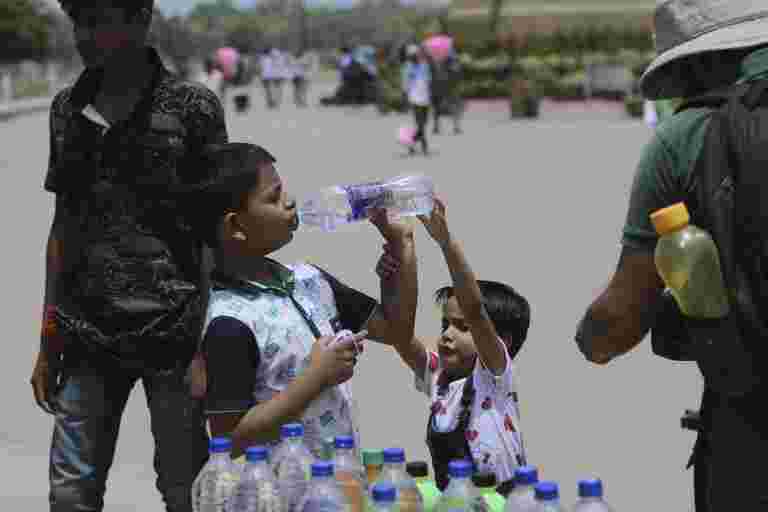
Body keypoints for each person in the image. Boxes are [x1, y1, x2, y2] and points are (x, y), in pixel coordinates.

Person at [31, 1, 228, 511]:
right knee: (71, 493)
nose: (85, 34)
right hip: (83, 335)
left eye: (99, 20)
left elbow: (217, 231)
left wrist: (211, 338)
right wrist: (48, 334)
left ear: (140, 20)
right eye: (79, 22)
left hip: (176, 336)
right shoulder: (66, 110)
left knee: (186, 489)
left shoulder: (193, 109)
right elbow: (64, 224)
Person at [574, 2, 768, 510]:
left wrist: (590, 339)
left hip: (751, 441)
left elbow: (618, 322)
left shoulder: (686, 138)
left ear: (699, 62)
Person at [185, 143, 417, 458]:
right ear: (235, 226)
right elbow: (230, 439)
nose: (290, 201)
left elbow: (396, 330)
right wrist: (317, 377)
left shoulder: (309, 280)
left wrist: (400, 245)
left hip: (340, 485)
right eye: (273, 197)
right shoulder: (229, 322)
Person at [376, 198, 530, 496]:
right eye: (445, 324)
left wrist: (444, 241)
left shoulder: (493, 377)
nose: (447, 334)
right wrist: (398, 251)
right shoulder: (438, 379)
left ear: (503, 342)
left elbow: (474, 309)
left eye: (462, 327)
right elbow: (400, 333)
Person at [403, 46, 432, 155]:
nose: (414, 56)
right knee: (420, 124)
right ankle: (425, 146)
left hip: (425, 97)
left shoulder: (425, 65)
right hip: (415, 98)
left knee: (423, 124)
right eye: (412, 55)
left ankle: (411, 142)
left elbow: (429, 80)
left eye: (416, 54)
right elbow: (405, 84)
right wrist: (406, 97)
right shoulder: (408, 67)